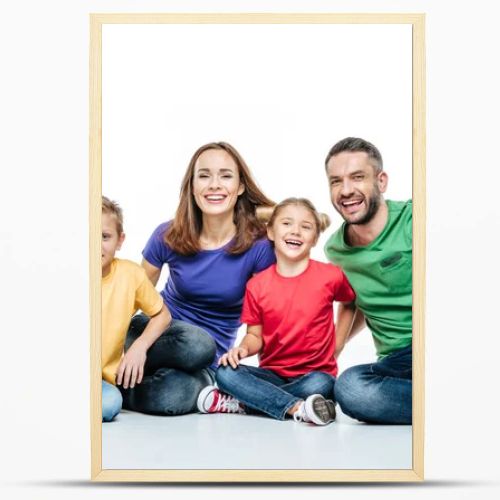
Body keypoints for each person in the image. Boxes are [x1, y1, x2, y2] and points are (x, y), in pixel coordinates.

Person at [120, 142, 276, 416]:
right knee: (195, 343)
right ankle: (123, 369)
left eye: (225, 176)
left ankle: (121, 385)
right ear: (192, 186)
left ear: (240, 187)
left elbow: (265, 320)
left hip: (207, 358)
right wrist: (135, 346)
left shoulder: (259, 246)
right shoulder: (167, 234)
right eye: (204, 175)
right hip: (155, 332)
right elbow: (128, 301)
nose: (214, 184)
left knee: (173, 395)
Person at [197, 198, 356, 425]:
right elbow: (255, 336)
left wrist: (338, 345)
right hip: (271, 375)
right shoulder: (257, 285)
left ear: (315, 238)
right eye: (287, 223)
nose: (296, 231)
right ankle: (298, 407)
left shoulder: (330, 276)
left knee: (322, 385)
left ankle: (246, 402)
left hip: (314, 375)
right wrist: (241, 349)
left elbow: (350, 303)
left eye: (306, 227)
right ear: (270, 231)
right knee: (224, 372)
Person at [323, 137, 412, 424]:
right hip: (395, 362)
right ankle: (453, 401)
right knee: (349, 388)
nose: (346, 190)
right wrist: (332, 351)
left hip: (440, 346)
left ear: (381, 181)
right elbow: (357, 301)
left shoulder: (414, 219)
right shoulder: (336, 250)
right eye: (336, 181)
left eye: (357, 177)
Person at [101, 196, 171, 422]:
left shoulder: (130, 275)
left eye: (104, 237)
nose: (95, 244)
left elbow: (162, 314)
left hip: (99, 380)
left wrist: (139, 346)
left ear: (120, 240)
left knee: (110, 403)